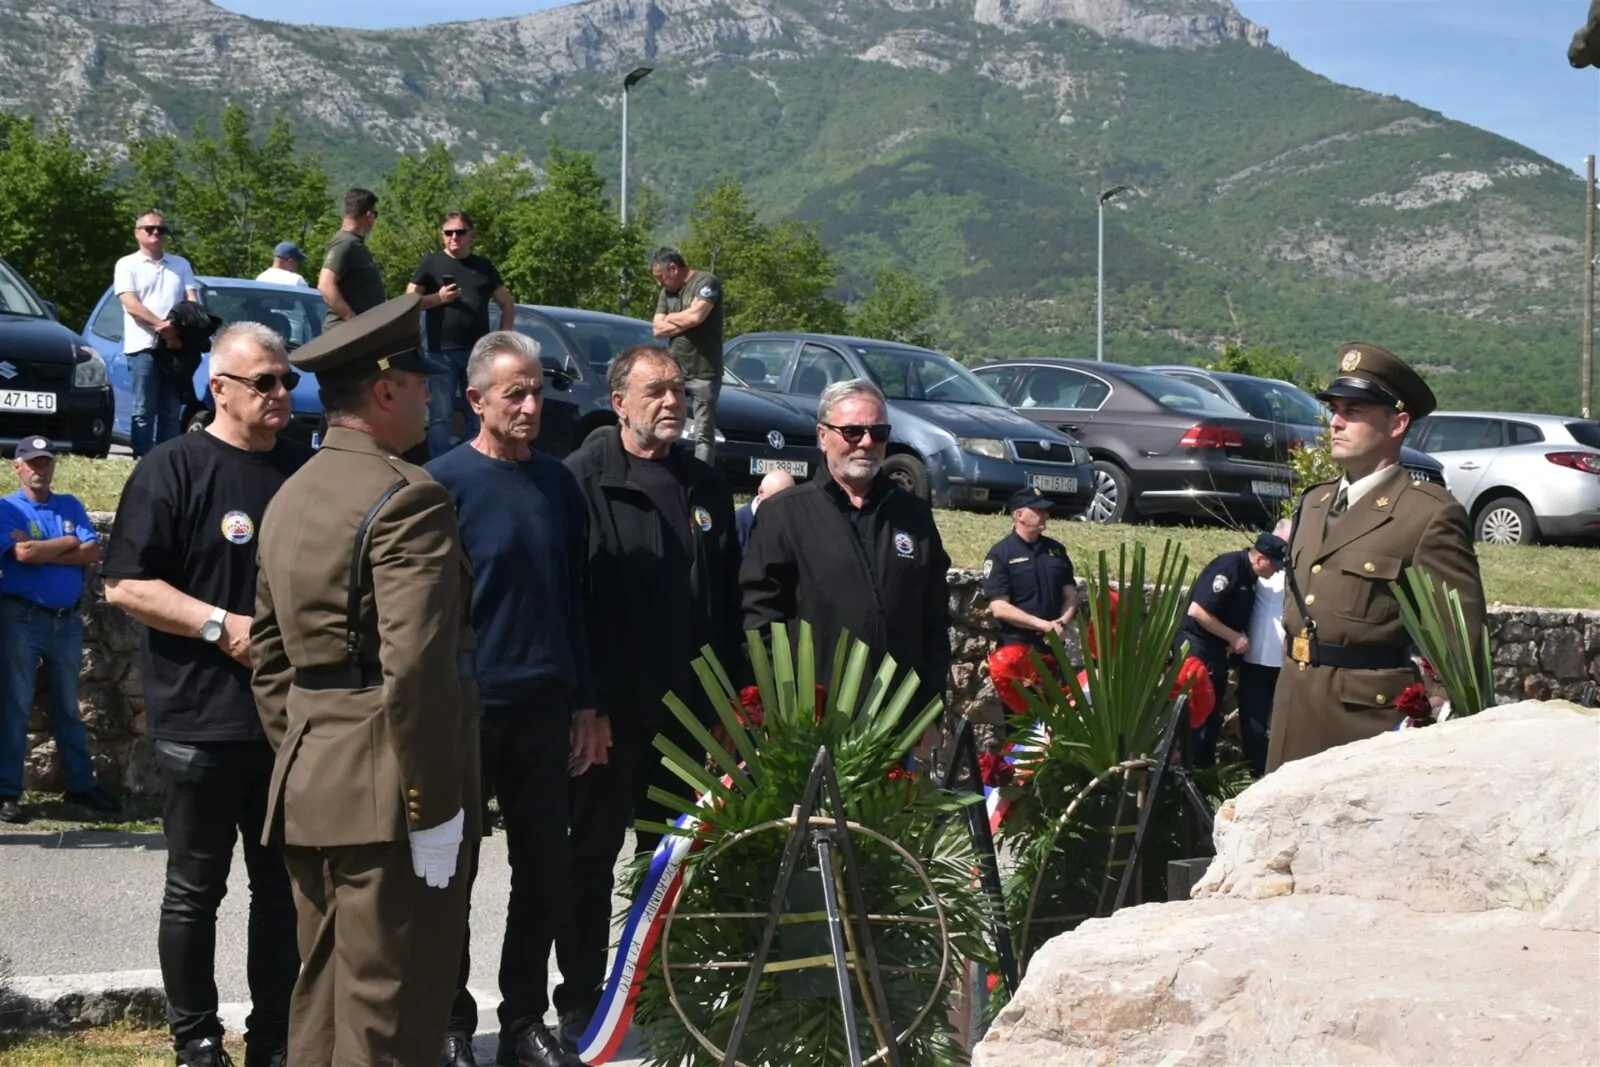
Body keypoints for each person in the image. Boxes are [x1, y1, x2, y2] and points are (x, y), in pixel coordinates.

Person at [249, 293, 478, 1066]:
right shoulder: (409, 498)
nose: (429, 398)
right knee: (397, 1009)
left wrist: (313, 747)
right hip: (390, 796)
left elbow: (272, 657)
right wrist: (435, 805)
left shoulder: (289, 496)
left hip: (314, 780)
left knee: (321, 1000)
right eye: (420, 383)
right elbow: (416, 667)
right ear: (384, 390)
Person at [102, 323, 311, 1067]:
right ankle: (195, 1039)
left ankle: (275, 1040)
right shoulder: (171, 469)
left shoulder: (301, 470)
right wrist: (220, 624)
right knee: (195, 890)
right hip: (200, 719)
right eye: (266, 382)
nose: (283, 393)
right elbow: (125, 582)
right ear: (217, 387)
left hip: (287, 725)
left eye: (286, 380)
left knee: (282, 895)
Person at [559, 344, 743, 1052]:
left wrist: (730, 708)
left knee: (670, 865)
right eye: (656, 390)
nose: (672, 401)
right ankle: (581, 1001)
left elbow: (724, 607)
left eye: (678, 390)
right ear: (619, 401)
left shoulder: (704, 486)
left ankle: (660, 998)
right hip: (609, 715)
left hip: (690, 715)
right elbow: (573, 604)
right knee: (592, 859)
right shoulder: (583, 480)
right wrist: (587, 703)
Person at [428, 332, 601, 1067]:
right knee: (449, 873)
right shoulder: (439, 485)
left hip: (545, 707)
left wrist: (587, 704)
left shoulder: (560, 484)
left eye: (537, 392)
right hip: (464, 709)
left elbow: (576, 600)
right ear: (475, 401)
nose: (532, 406)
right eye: (515, 394)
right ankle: (448, 1021)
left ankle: (525, 1018)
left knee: (544, 870)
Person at [1267, 342, 1485, 773]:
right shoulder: (1314, 502)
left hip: (1367, 723)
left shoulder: (1427, 514)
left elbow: (1461, 640)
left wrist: (1442, 711)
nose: (1336, 423)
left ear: (1397, 423)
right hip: (1293, 702)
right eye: (1334, 409)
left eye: (1354, 411)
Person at [742, 378, 950, 726]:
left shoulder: (913, 515)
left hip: (897, 721)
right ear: (823, 435)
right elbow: (760, 620)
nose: (867, 443)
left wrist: (929, 711)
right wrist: (775, 708)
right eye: (853, 432)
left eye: (878, 432)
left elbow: (934, 621)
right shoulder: (784, 515)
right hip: (811, 722)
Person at [0, 437, 117, 825]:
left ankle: (81, 785)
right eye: (32, 462)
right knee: (16, 705)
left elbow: (92, 551)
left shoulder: (68, 504)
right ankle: (8, 792)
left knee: (69, 705)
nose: (40, 468)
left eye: (46, 461)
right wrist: (69, 543)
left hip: (65, 620)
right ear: (17, 467)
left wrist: (46, 546)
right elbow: (22, 555)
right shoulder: (8, 509)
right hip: (22, 618)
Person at [406, 211, 516, 459]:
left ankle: (474, 461)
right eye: (448, 233)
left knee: (478, 411)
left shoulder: (483, 266)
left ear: (471, 235)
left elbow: (507, 304)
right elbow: (408, 301)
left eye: (459, 232)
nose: (453, 237)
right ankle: (440, 467)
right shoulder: (431, 263)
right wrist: (439, 298)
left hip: (477, 355)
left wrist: (500, 342)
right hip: (439, 352)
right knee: (440, 415)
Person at [1176, 533, 1287, 768]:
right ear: (1259, 559)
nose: (1276, 572)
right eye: (1274, 565)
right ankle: (1188, 769)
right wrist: (1233, 636)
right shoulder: (1229, 568)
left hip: (1215, 652)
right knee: (1197, 714)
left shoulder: (1249, 575)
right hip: (1198, 650)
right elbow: (1197, 611)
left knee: (1211, 714)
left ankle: (1202, 771)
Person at [981, 487, 1078, 717]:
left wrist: (1061, 623)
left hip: (1053, 650)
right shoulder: (1001, 554)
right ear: (1019, 515)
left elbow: (1070, 595)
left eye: (1046, 511)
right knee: (1022, 727)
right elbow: (999, 607)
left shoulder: (1056, 550)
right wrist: (1043, 626)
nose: (1045, 515)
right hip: (1018, 654)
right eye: (1038, 510)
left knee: (1059, 721)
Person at [115, 209, 200, 456]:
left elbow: (191, 301)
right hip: (143, 347)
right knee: (143, 409)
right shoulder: (126, 264)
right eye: (149, 229)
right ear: (137, 233)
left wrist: (178, 330)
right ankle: (142, 458)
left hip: (175, 349)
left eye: (161, 230)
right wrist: (164, 328)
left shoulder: (180, 264)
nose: (156, 233)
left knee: (171, 411)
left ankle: (166, 459)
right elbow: (131, 305)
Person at [650, 248, 724, 463]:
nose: (659, 284)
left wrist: (671, 319)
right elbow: (657, 329)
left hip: (704, 372)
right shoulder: (667, 293)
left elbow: (697, 316)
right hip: (675, 371)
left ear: (673, 269)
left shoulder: (706, 282)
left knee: (703, 433)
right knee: (667, 422)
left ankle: (703, 477)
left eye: (660, 277)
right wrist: (685, 318)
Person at [1239, 517, 1293, 777]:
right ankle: (1255, 772)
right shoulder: (1255, 570)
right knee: (1253, 721)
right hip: (1252, 656)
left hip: (1284, 658)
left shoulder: (1296, 573)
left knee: (1286, 722)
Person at [317, 188, 386, 332]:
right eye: (375, 214)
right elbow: (325, 285)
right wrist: (353, 320)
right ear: (368, 215)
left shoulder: (355, 243)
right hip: (343, 335)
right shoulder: (345, 243)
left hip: (354, 335)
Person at [734, 468, 796, 554]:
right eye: (778, 500)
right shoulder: (736, 525)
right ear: (761, 492)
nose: (784, 507)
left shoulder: (795, 525)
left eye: (790, 500)